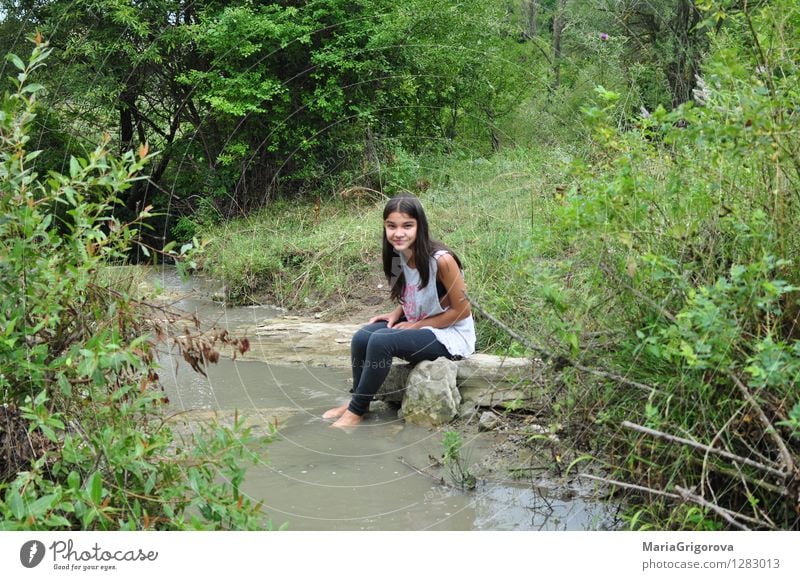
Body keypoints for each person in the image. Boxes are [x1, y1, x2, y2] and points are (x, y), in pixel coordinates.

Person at [323, 195, 476, 428]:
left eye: (407, 226)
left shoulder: (442, 261)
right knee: (362, 337)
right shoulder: (398, 256)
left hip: (451, 336)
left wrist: (415, 325)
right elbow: (416, 292)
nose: (398, 233)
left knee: (381, 341)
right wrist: (398, 313)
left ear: (419, 226)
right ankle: (360, 403)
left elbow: (463, 311)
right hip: (424, 324)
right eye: (391, 226)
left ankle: (354, 413)